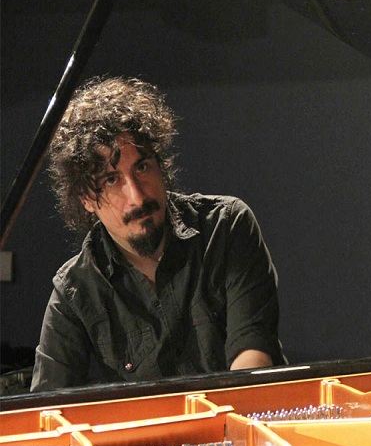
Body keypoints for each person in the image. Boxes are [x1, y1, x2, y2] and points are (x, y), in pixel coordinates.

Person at [30, 76, 286, 391]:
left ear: (159, 165)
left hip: (242, 412)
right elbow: (47, 403)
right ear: (86, 198)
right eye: (111, 180)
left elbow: (253, 356)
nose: (137, 197)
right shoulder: (75, 290)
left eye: (142, 167)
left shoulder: (226, 226)